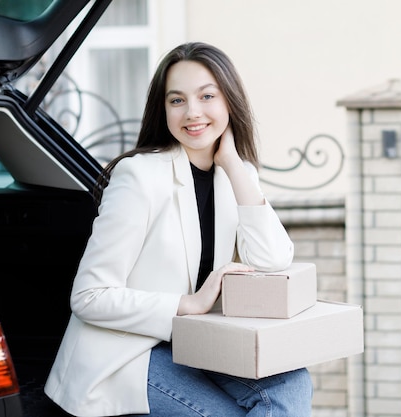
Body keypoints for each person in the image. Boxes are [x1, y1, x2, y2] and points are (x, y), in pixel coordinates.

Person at [44, 41, 313, 417]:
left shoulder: (236, 176)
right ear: (163, 109)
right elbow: (89, 296)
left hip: (196, 343)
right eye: (177, 100)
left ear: (229, 102)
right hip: (129, 351)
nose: (193, 113)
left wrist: (234, 165)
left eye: (207, 96)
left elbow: (273, 260)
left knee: (292, 383)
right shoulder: (139, 176)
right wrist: (188, 304)